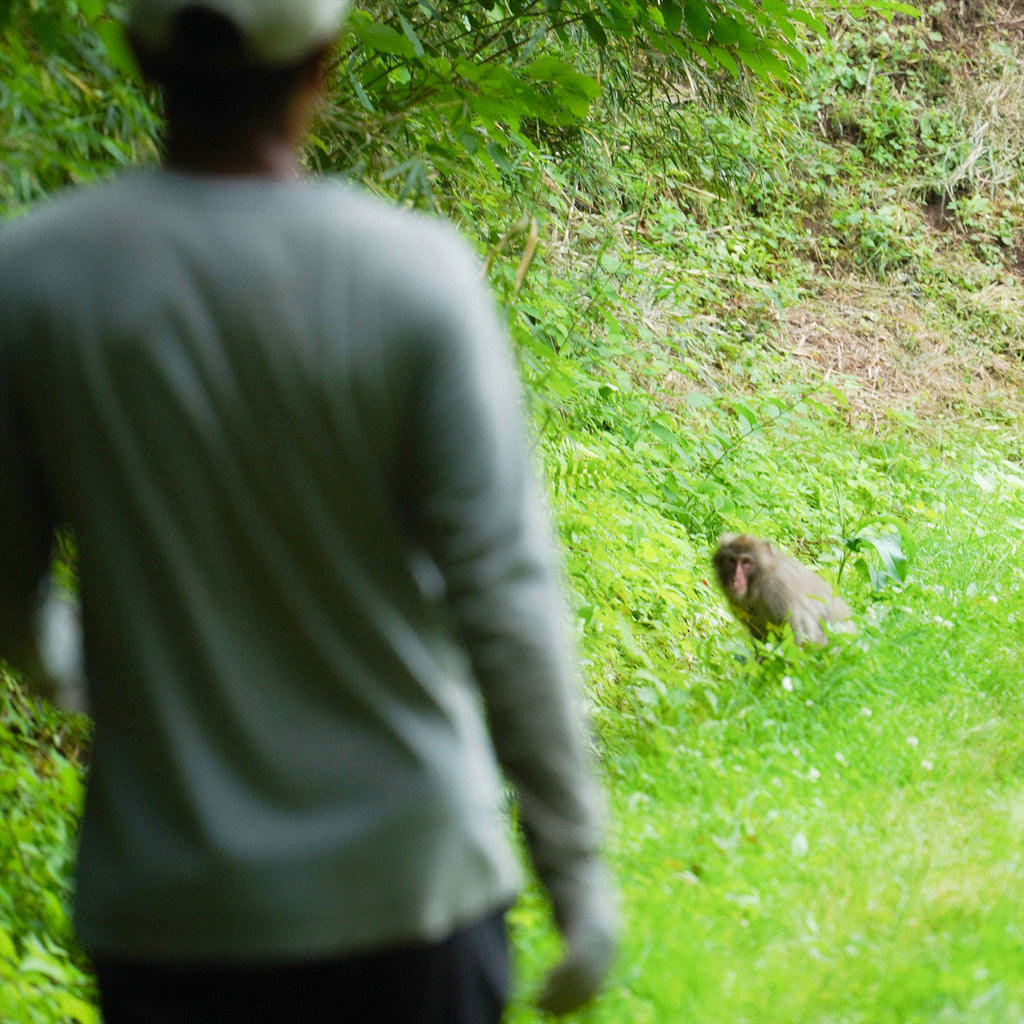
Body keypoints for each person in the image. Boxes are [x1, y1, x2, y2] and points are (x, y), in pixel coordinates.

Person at [0, 1, 617, 1020]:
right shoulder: (414, 279)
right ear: (322, 65)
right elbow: (504, 597)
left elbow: (8, 589)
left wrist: (80, 670)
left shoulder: (34, 282)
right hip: (409, 895)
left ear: (137, 54)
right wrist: (578, 878)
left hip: (174, 914)